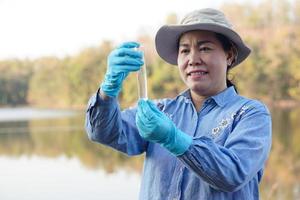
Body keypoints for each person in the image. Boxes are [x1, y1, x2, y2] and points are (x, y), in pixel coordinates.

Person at [85, 8, 272, 200]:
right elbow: (104, 133)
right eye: (185, 50)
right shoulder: (160, 111)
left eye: (205, 48)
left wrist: (173, 138)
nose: (193, 59)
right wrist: (108, 90)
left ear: (229, 55)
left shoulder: (250, 114)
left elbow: (233, 173)